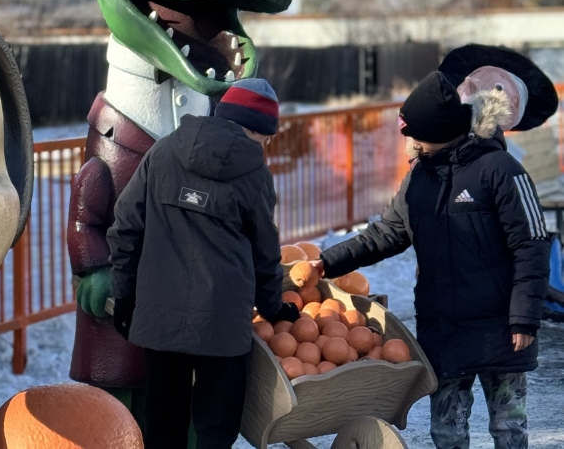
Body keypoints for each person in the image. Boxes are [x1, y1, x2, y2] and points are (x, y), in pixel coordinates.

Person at [311, 71, 552, 449]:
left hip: (502, 327)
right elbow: (386, 234)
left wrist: (524, 317)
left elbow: (532, 244)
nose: (410, 144)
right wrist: (328, 262)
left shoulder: (501, 171)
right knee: (446, 431)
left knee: (509, 429)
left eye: (415, 135)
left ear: (439, 131)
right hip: (445, 327)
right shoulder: (419, 179)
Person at [106, 78, 299, 449]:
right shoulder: (255, 174)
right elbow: (265, 252)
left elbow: (125, 227)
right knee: (215, 430)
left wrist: (125, 296)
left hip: (159, 317)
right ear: (254, 129)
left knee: (164, 427)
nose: (267, 145)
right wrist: (274, 307)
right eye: (267, 136)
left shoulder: (162, 153)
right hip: (222, 325)